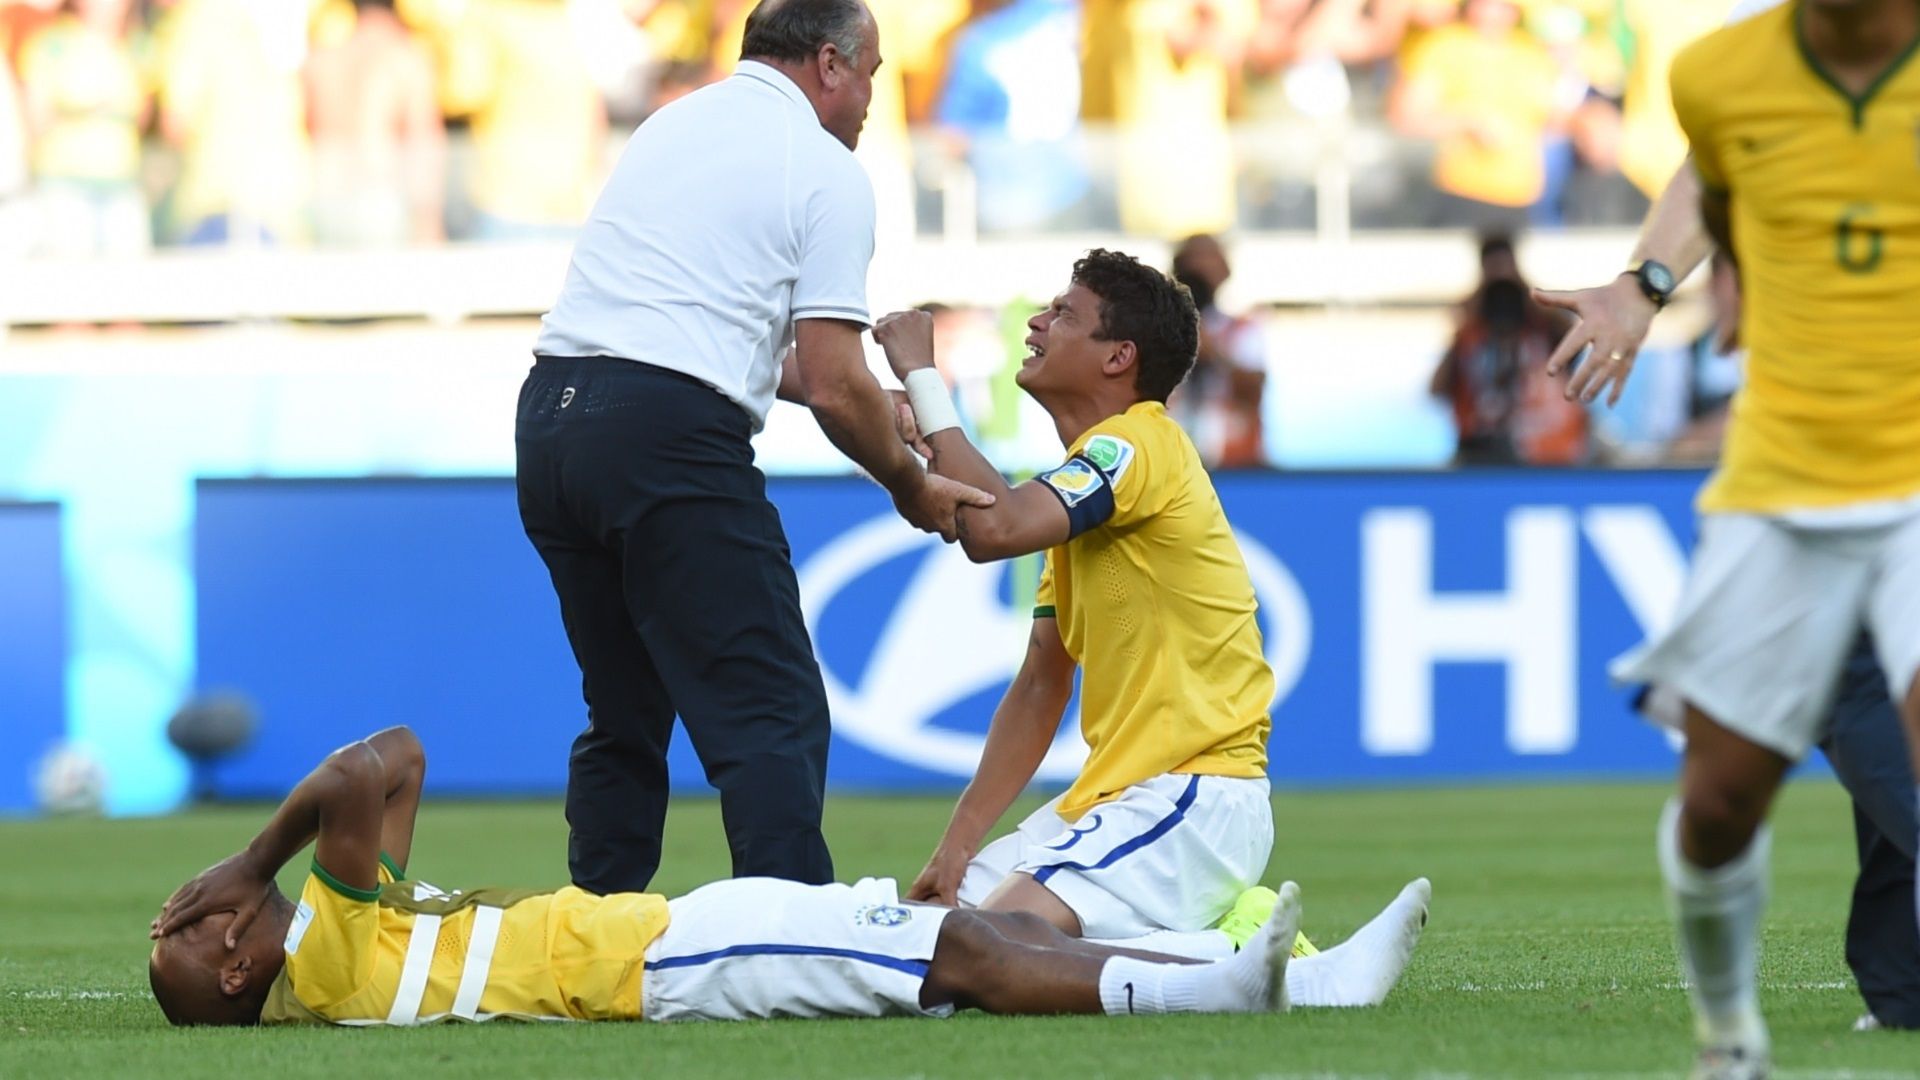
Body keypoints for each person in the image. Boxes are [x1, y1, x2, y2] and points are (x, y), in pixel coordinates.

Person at [871, 250, 1431, 1009]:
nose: (1036, 323)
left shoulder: (1136, 443)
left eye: (1063, 313)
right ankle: (1237, 937)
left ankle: (1285, 972)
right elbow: (1040, 685)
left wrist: (922, 378)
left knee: (989, 951)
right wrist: (959, 842)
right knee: (918, 946)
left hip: (1191, 794)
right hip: (1113, 803)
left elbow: (992, 527)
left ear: (1118, 356)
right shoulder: (1084, 487)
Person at [521, 0, 992, 896]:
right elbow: (828, 374)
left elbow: (692, 327)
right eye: (871, 76)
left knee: (623, 710)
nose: (868, 101)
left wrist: (864, 400)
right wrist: (909, 483)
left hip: (553, 420)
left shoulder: (672, 124)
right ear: (827, 63)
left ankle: (592, 931)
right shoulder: (824, 167)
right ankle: (793, 940)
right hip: (663, 440)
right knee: (769, 705)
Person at [1533, 0, 1920, 1074]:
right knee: (1717, 804)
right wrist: (1643, 287)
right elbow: (1712, 173)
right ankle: (1728, 1033)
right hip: (1787, 480)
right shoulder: (1720, 72)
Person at [144, 726, 1430, 1026]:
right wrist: (251, 854)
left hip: (681, 927)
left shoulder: (347, 939)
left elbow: (400, 758)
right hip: (666, 966)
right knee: (961, 958)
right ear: (239, 964)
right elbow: (363, 767)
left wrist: (256, 867)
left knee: (958, 928)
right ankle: (1240, 993)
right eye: (195, 933)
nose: (201, 911)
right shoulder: (323, 956)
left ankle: (1281, 977)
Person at [1429, 235, 1586, 466]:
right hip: (1479, 448)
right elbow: (1437, 388)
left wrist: (1532, 300)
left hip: (1543, 448)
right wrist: (1469, 320)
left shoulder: (1542, 326)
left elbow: (1574, 343)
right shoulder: (1470, 332)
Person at [302, 0, 446, 247]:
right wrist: (429, 224)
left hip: (325, 202)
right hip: (380, 202)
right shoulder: (405, 58)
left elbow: (307, 131)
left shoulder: (322, 60)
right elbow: (423, 145)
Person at [1169, 234, 1268, 469]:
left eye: (1211, 258)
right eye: (1193, 259)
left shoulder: (1244, 330)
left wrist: (1213, 352)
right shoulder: (1156, 332)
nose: (1202, 267)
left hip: (1236, 466)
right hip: (1172, 466)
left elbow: (1254, 388)